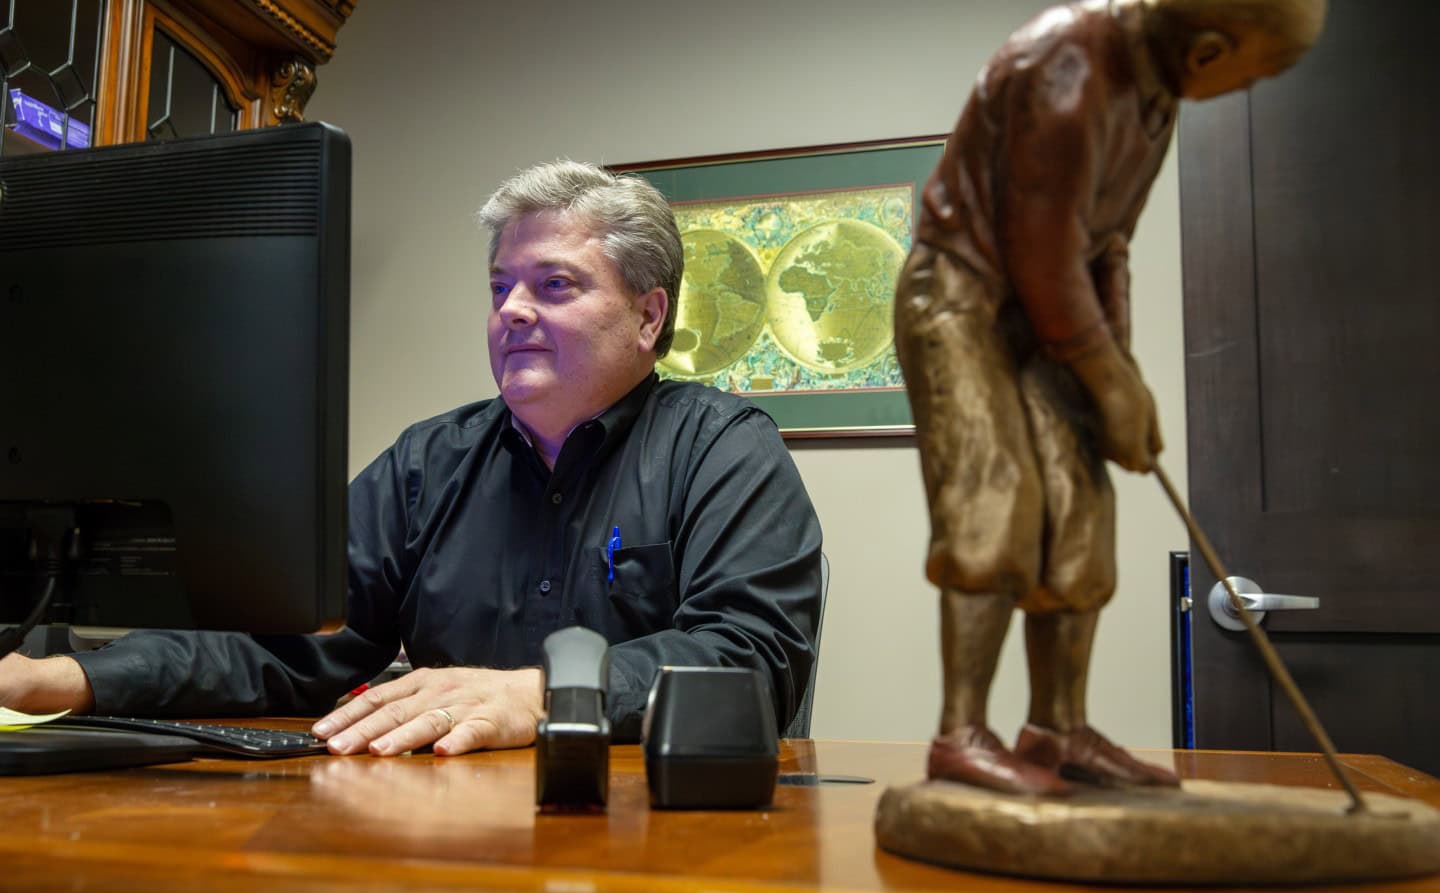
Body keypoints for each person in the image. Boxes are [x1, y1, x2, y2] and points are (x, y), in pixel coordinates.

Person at [0, 160, 824, 756]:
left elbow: (750, 659)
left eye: (556, 285)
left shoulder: (722, 448)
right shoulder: (431, 460)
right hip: (441, 829)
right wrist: (72, 680)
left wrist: (535, 697)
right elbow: (293, 638)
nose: (514, 311)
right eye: (501, 287)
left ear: (649, 317)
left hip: (658, 837)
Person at [894, 0, 1325, 796]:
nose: (1249, 89)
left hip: (1052, 314)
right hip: (964, 298)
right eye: (1256, 73)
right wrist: (1107, 373)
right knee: (997, 502)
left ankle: (1057, 730)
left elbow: (1105, 245)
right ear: (1205, 51)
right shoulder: (1073, 65)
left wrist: (1117, 376)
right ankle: (960, 733)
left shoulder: (1156, 93)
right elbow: (1046, 250)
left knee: (1080, 506)